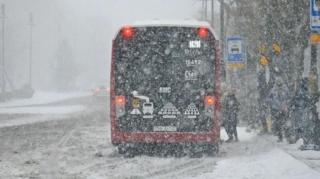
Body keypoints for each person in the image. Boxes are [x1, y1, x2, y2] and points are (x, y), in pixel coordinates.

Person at [267, 77, 290, 142]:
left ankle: (285, 135)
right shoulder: (273, 90)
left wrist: (286, 104)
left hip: (283, 108)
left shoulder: (285, 89)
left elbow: (288, 97)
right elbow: (269, 98)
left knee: (284, 122)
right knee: (279, 123)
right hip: (277, 109)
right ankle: (281, 136)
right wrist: (273, 103)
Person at [290, 77, 309, 144]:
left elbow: (295, 99)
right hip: (301, 109)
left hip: (303, 109)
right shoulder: (302, 91)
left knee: (301, 123)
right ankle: (300, 136)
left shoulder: (303, 91)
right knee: (300, 123)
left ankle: (301, 136)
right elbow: (295, 99)